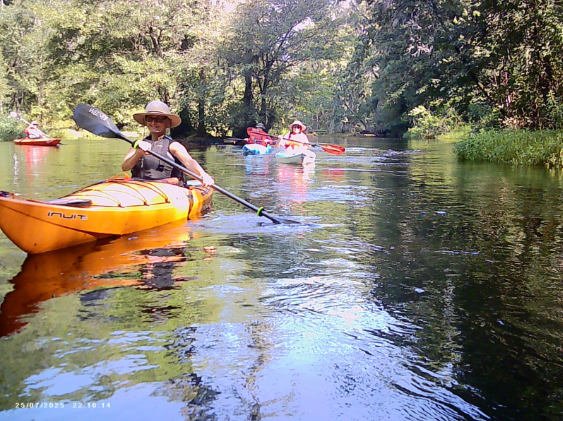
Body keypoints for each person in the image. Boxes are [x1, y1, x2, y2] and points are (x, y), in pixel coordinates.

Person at [122, 100, 214, 187]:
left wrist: (203, 175)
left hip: (167, 188)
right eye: (149, 118)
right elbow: (125, 167)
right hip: (140, 186)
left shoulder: (174, 146)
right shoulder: (139, 145)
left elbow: (189, 162)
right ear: (146, 121)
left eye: (159, 119)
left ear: (167, 122)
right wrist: (138, 153)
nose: (153, 123)